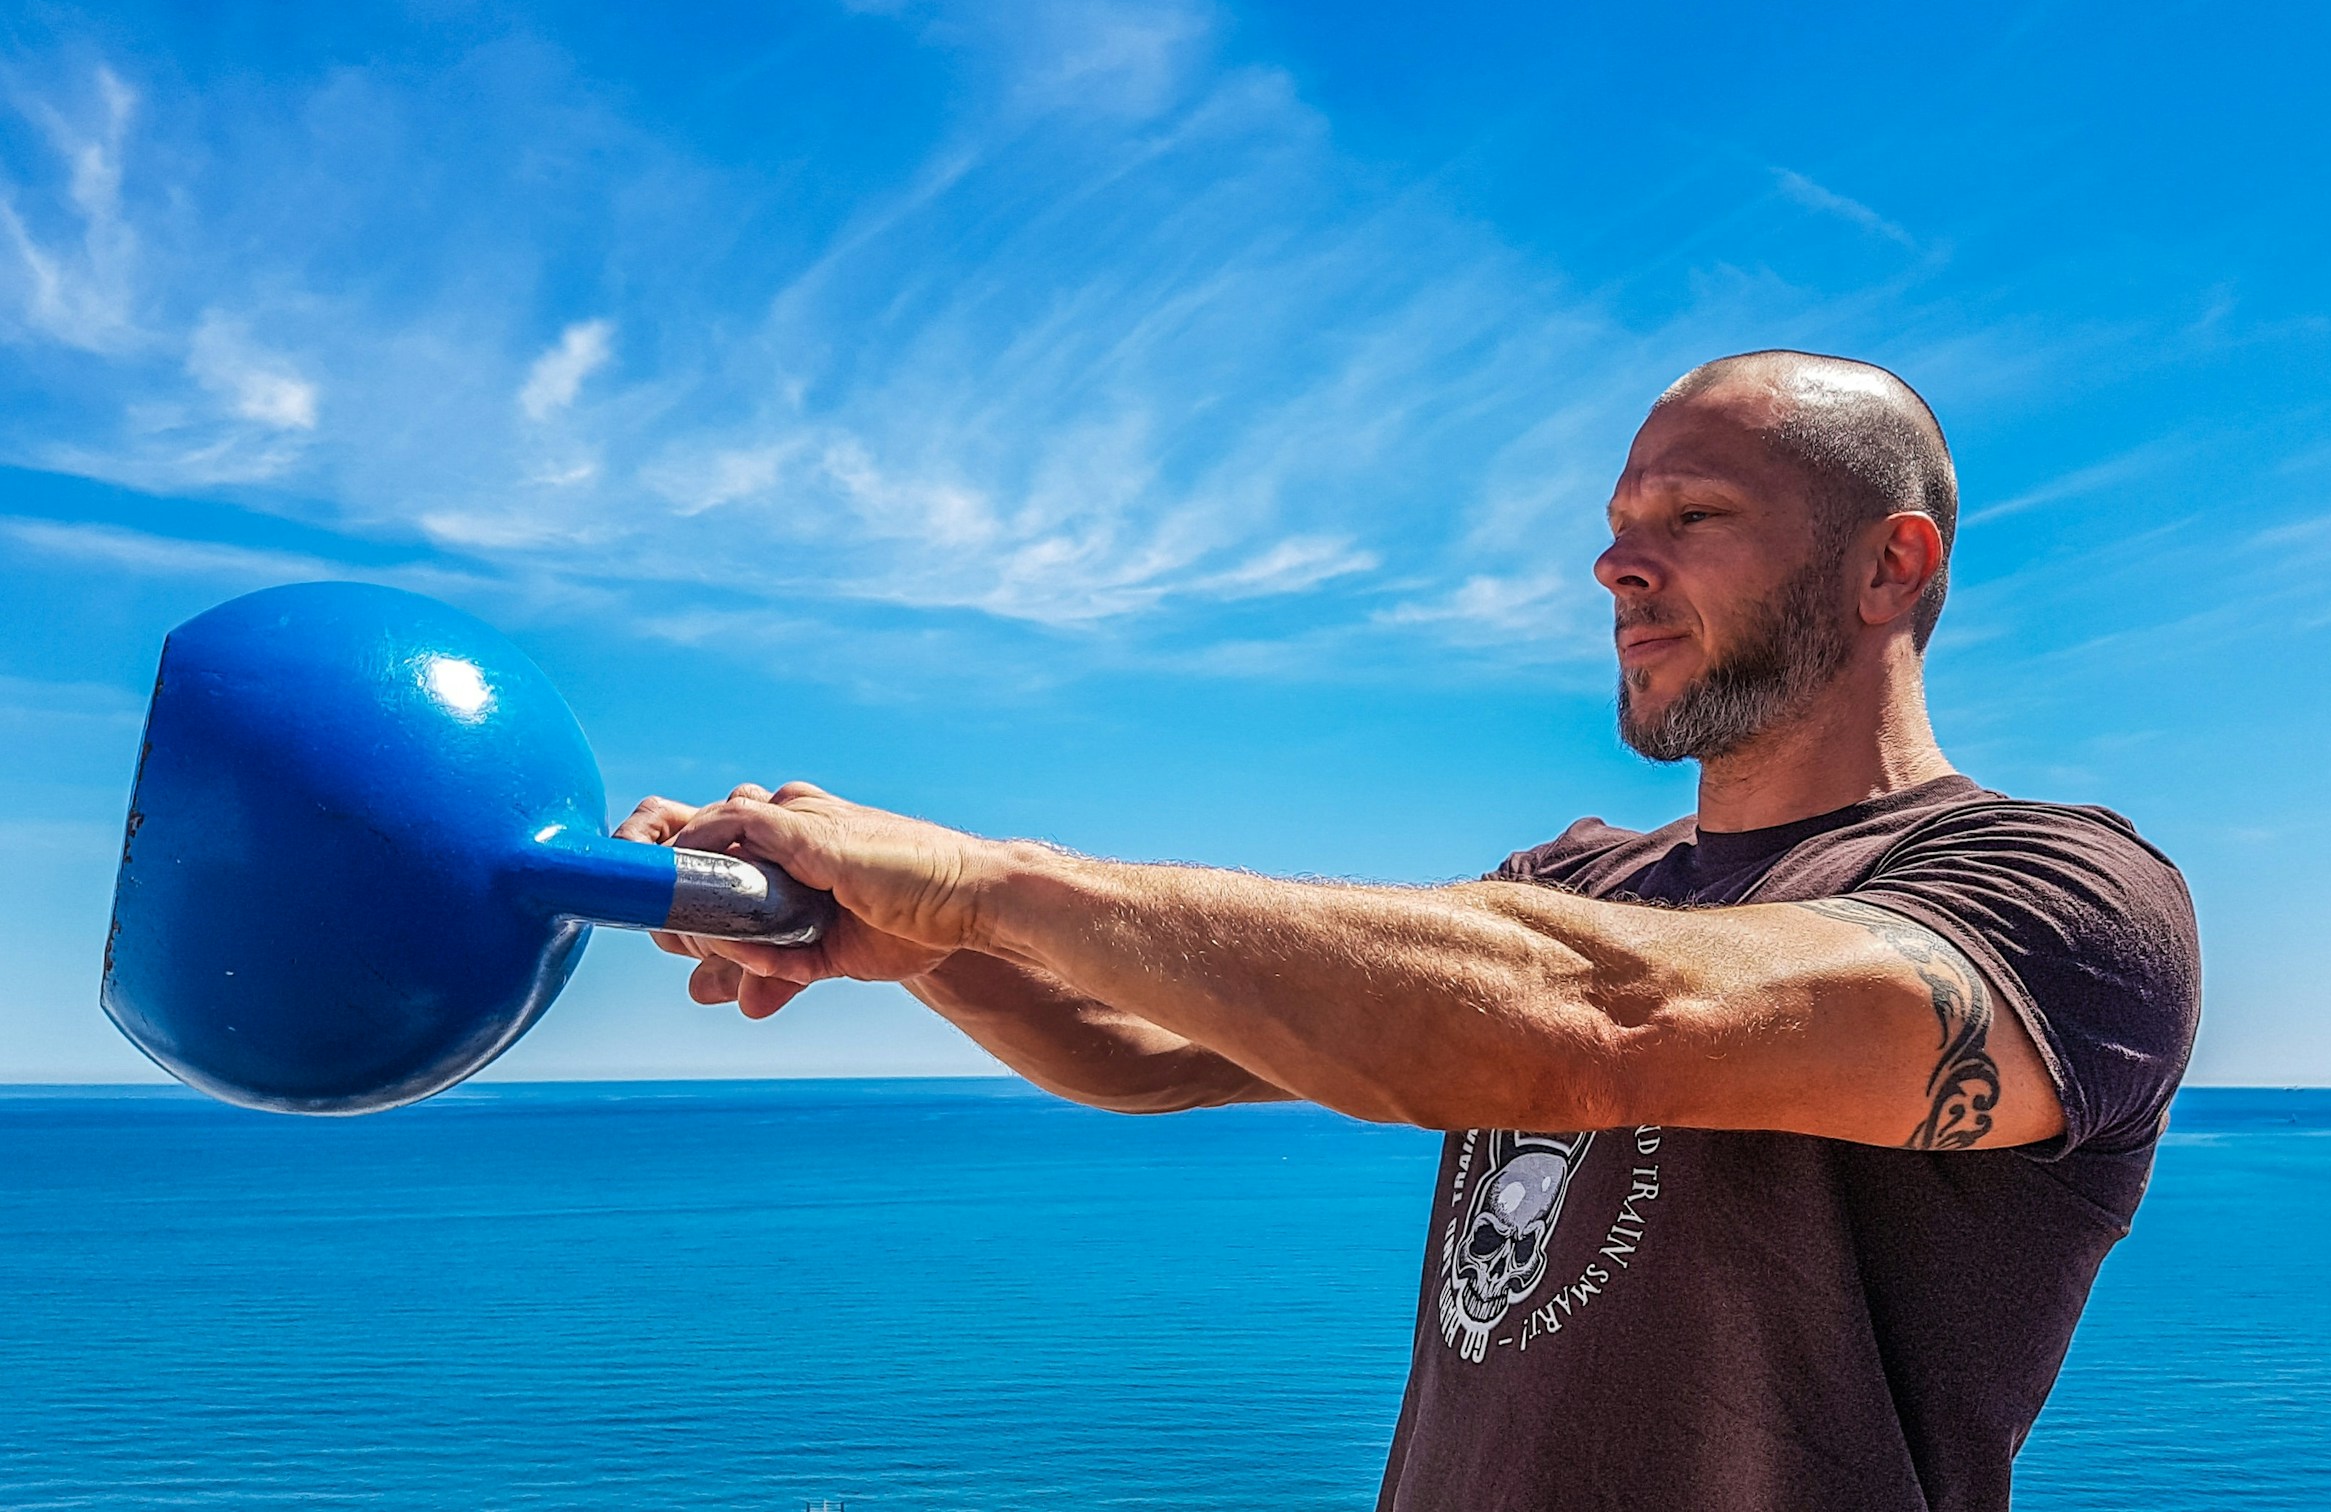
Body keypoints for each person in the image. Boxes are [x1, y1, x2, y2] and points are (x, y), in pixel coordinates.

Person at [620, 350, 2201, 1512]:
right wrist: (919, 944)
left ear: (1892, 562)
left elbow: (1602, 1028)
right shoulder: (1581, 882)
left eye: (1693, 516)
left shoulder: (2056, 901)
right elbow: (1159, 1050)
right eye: (1615, 522)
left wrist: (982, 881)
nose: (1615, 564)